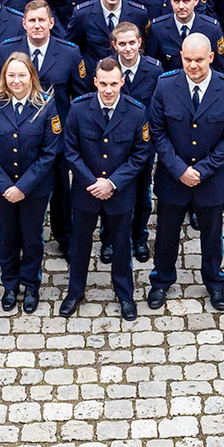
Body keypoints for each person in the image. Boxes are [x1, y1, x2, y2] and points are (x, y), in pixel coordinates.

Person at [146, 32, 224, 311]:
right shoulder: (165, 85)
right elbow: (158, 131)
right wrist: (179, 169)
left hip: (210, 179)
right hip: (172, 178)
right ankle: (161, 281)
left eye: (199, 60)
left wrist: (201, 170)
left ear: (211, 58)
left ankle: (214, 282)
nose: (193, 65)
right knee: (166, 233)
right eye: (188, 59)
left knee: (212, 235)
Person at [62, 57, 149, 319]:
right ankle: (74, 292)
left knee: (122, 244)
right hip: (86, 192)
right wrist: (92, 182)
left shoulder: (136, 111)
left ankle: (125, 294)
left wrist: (112, 183)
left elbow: (140, 154)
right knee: (80, 244)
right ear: (95, 82)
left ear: (122, 82)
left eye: (114, 83)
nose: (108, 90)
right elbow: (71, 150)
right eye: (103, 84)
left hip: (118, 192)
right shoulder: (78, 109)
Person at [0, 51, 60, 313]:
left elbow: (49, 153)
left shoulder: (46, 105)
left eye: (22, 74)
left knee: (32, 237)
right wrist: (6, 186)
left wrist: (22, 187)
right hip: (1, 189)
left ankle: (31, 285)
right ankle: (10, 284)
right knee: (8, 236)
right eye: (11, 75)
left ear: (31, 77)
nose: (16, 80)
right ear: (4, 77)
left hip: (34, 189)